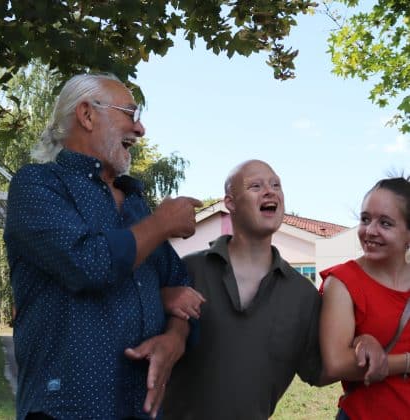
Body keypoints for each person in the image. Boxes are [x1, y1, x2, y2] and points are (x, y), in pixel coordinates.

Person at [4, 73, 202, 420]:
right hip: (65, 409)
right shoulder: (37, 185)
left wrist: (175, 339)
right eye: (130, 113)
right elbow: (88, 263)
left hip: (139, 409)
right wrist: (162, 224)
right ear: (87, 114)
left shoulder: (136, 204)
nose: (140, 129)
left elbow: (182, 290)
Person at [160, 159, 386, 420]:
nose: (270, 191)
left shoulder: (303, 294)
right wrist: (161, 297)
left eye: (276, 184)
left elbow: (319, 370)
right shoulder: (189, 271)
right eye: (255, 186)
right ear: (230, 203)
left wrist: (361, 342)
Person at [319, 176, 410, 419]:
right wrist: (405, 362)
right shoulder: (342, 281)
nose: (370, 231)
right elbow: (335, 363)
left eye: (386, 223)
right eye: (365, 219)